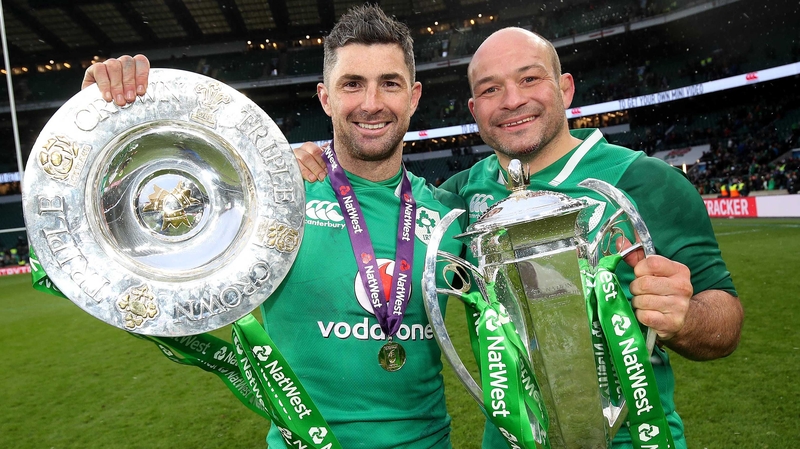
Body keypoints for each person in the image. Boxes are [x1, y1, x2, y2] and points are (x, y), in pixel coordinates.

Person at [294, 27, 744, 449]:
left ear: (564, 89)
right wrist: (296, 167)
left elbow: (725, 321)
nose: (512, 101)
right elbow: (374, 202)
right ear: (475, 111)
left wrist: (684, 318)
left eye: (529, 79)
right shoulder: (456, 197)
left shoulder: (646, 180)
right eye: (490, 89)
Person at [82, 5, 466, 449]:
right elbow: (122, 257)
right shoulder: (271, 202)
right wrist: (101, 122)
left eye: (390, 84)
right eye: (352, 84)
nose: (371, 103)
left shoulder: (449, 217)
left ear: (415, 96)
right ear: (325, 97)